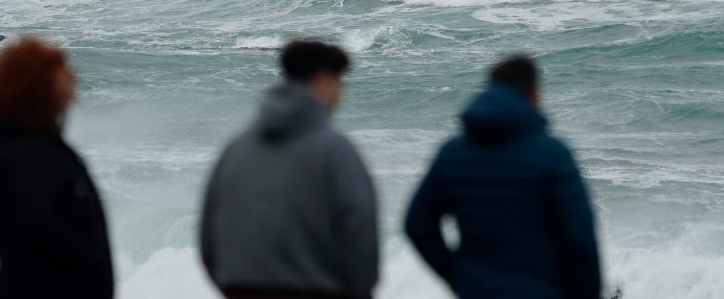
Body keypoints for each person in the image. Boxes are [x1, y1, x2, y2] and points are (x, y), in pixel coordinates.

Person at [405, 55, 602, 299]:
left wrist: (459, 277)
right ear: (534, 95)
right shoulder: (552, 154)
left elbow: (417, 224)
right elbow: (581, 239)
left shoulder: (453, 154)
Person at [200, 40, 378, 299]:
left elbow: (209, 234)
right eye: (340, 84)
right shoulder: (334, 150)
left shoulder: (236, 149)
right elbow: (359, 229)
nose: (340, 96)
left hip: (240, 288)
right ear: (323, 80)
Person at [0, 37, 114, 299]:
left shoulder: (36, 150)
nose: (71, 82)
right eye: (59, 76)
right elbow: (39, 237)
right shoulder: (28, 157)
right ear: (36, 89)